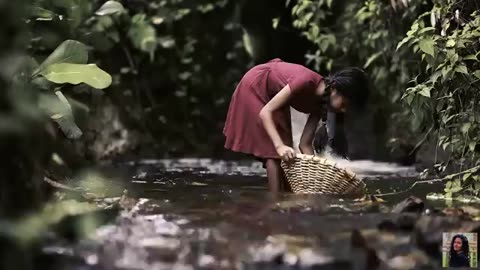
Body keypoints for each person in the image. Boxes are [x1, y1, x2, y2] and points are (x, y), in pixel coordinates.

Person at [223, 58, 369, 192]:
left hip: (275, 99)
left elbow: (304, 144)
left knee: (288, 157)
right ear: (335, 88)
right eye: (343, 104)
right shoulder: (305, 82)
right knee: (274, 154)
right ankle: (275, 204)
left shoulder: (321, 105)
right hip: (256, 86)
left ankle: (287, 199)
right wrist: (279, 146)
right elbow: (266, 112)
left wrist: (315, 177)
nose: (342, 110)